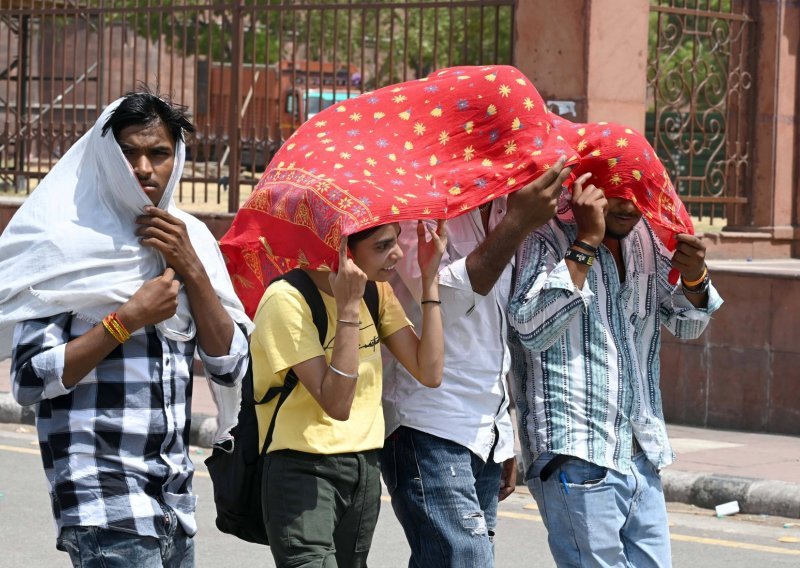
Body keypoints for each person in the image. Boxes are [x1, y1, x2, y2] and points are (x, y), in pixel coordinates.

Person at [2, 92, 252, 567]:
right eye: (128, 152)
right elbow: (29, 379)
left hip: (173, 500)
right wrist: (127, 320)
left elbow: (231, 364)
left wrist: (192, 271)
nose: (144, 168)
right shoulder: (65, 243)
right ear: (105, 156)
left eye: (158, 153)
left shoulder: (191, 238)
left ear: (176, 158)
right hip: (101, 496)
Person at [508, 123, 723, 567]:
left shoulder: (646, 239)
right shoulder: (545, 238)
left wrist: (696, 279)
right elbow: (531, 327)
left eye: (637, 192)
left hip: (640, 449)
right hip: (576, 450)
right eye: (614, 192)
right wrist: (586, 242)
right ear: (587, 188)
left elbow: (686, 327)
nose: (627, 205)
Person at [381, 156, 574, 567]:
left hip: (483, 429)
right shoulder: (421, 204)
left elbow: (496, 335)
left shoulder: (509, 206)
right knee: (466, 560)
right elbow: (446, 301)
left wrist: (502, 436)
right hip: (427, 422)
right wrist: (517, 225)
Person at [253, 220, 447, 567]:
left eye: (397, 241)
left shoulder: (378, 291)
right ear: (341, 251)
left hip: (364, 467)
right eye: (382, 246)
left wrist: (429, 277)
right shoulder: (285, 301)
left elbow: (429, 371)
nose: (398, 254)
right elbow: (337, 404)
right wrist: (347, 310)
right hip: (302, 469)